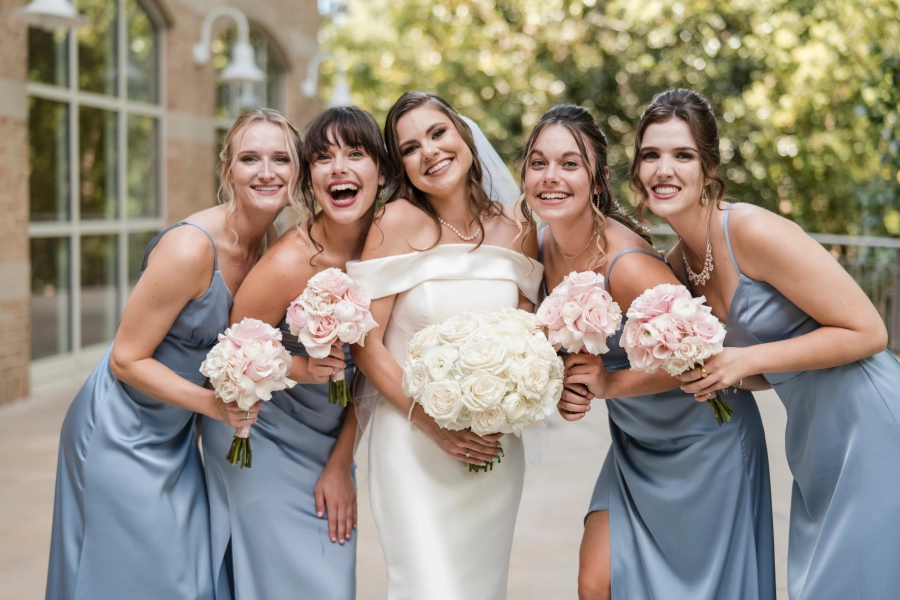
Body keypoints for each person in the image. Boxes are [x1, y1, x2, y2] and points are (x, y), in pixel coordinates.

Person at [636, 88, 900, 600]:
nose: (664, 169)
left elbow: (869, 332)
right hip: (812, 440)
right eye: (651, 155)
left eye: (682, 155)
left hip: (872, 424)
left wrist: (745, 358)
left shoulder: (751, 230)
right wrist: (719, 372)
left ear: (708, 169)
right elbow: (768, 366)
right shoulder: (676, 268)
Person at [521, 104, 775, 600]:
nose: (551, 177)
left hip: (704, 440)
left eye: (570, 164)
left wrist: (610, 384)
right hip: (636, 442)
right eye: (538, 162)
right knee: (597, 583)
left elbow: (701, 356)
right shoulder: (538, 246)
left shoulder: (629, 264)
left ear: (598, 179)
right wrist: (564, 385)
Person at [45, 108, 297, 600]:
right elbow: (126, 358)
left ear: (297, 172)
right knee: (134, 574)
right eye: (250, 158)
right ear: (228, 172)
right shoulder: (191, 248)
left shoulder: (267, 245)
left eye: (280, 159)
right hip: (119, 427)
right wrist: (213, 406)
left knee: (186, 570)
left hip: (175, 430)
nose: (266, 172)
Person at [347, 91, 541, 599]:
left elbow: (529, 327)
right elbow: (366, 343)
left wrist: (509, 397)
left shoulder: (518, 225)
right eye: (410, 148)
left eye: (438, 133)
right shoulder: (395, 224)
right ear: (401, 167)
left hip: (492, 446)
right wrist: (430, 422)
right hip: (412, 441)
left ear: (465, 137)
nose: (429, 151)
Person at [202, 106, 387, 600]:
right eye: (323, 157)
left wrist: (340, 462)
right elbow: (234, 359)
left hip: (329, 442)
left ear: (381, 171)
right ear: (310, 176)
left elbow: (371, 372)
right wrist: (303, 368)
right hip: (259, 438)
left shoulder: (389, 254)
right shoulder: (288, 262)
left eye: (355, 153)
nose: (339, 168)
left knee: (330, 581)